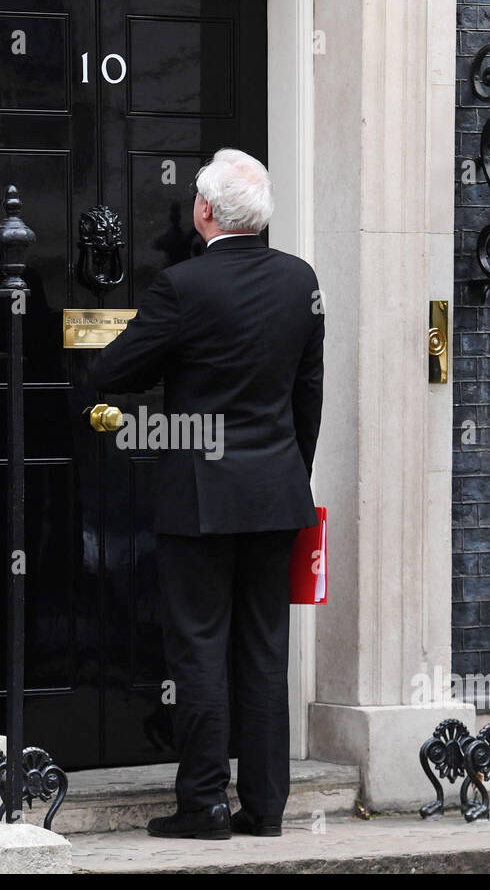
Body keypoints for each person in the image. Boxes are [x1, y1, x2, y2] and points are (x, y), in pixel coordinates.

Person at [88, 148, 324, 839]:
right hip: (276, 493)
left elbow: (114, 369)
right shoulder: (299, 281)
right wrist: (288, 473)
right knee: (262, 649)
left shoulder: (182, 287)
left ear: (205, 211)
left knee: (197, 650)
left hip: (200, 498)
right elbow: (308, 394)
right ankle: (266, 806)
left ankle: (204, 804)